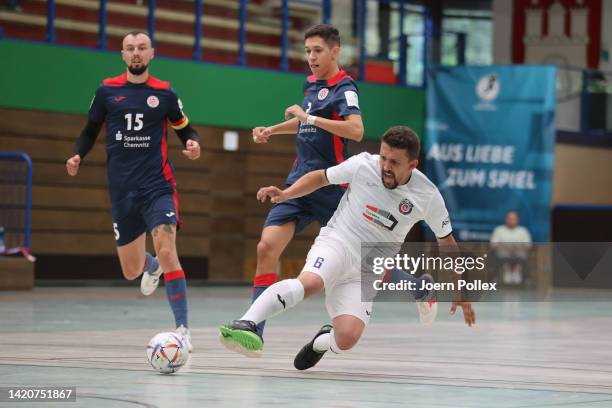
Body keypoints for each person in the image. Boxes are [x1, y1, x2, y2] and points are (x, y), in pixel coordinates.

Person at [220, 126, 476, 368]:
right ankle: (247, 323)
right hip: (338, 241)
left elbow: (447, 244)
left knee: (347, 339)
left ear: (413, 165)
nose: (385, 167)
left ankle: (322, 341)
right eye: (383, 158)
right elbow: (321, 177)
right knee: (310, 283)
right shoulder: (364, 164)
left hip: (368, 270)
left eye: (394, 163)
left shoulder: (428, 196)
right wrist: (287, 194)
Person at [65, 31, 200, 351]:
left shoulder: (165, 94)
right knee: (130, 270)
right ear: (122, 55)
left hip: (158, 186)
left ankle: (182, 329)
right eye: (130, 49)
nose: (136, 53)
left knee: (168, 250)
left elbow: (184, 127)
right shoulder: (107, 91)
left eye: (142, 48)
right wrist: (77, 155)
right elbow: (89, 131)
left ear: (152, 53)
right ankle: (149, 266)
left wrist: (192, 142)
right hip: (122, 190)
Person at [249, 24, 364, 339]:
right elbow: (305, 126)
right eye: (307, 51)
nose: (311, 57)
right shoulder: (310, 84)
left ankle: (419, 287)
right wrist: (272, 130)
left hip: (332, 189)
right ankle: (254, 329)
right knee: (265, 247)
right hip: (299, 184)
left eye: (318, 50)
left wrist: (309, 118)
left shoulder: (345, 88)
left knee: (365, 259)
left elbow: (356, 131)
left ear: (335, 51)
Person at [490, 211, 532, 285]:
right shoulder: (499, 230)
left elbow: (528, 245)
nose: (511, 221)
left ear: (517, 220)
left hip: (518, 251)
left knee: (522, 253)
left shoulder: (523, 231)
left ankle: (516, 272)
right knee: (501, 252)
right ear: (506, 219)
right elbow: (493, 245)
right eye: (510, 219)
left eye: (514, 219)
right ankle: (507, 272)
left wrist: (517, 247)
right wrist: (506, 247)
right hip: (503, 251)